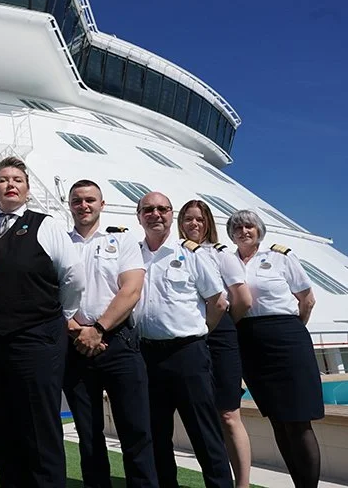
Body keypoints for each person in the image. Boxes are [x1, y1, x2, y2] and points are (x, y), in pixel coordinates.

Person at [0, 157, 83, 488]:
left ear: (27, 189)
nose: (10, 184)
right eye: (3, 180)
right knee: (1, 425)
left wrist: (61, 315)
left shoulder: (46, 225)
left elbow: (73, 276)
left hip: (36, 339)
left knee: (39, 427)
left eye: (17, 180)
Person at [62, 180, 158, 488]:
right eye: (77, 200)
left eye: (90, 200)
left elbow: (131, 290)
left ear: (102, 204)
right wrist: (75, 329)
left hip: (119, 344)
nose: (84, 206)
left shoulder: (123, 240)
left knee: (136, 431)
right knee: (88, 434)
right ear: (69, 205)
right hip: (74, 345)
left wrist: (99, 328)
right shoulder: (60, 243)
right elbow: (48, 293)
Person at [133, 192, 232, 488]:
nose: (155, 214)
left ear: (170, 214)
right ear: (139, 216)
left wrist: (200, 331)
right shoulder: (132, 255)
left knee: (205, 433)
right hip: (147, 355)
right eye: (148, 209)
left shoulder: (190, 253)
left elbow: (218, 301)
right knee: (156, 434)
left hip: (187, 354)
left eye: (162, 209)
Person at [226, 209, 322, 488]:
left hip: (286, 338)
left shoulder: (280, 257)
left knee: (299, 420)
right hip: (249, 341)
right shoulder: (227, 261)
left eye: (249, 226)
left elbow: (307, 299)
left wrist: (291, 330)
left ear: (259, 230)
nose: (244, 231)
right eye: (238, 228)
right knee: (278, 420)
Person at [178, 200, 253, 488]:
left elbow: (242, 299)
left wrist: (220, 324)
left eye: (199, 219)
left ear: (208, 222)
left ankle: (242, 484)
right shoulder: (177, 251)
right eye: (188, 219)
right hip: (190, 335)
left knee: (229, 414)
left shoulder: (220, 254)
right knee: (204, 414)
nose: (194, 224)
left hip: (219, 333)